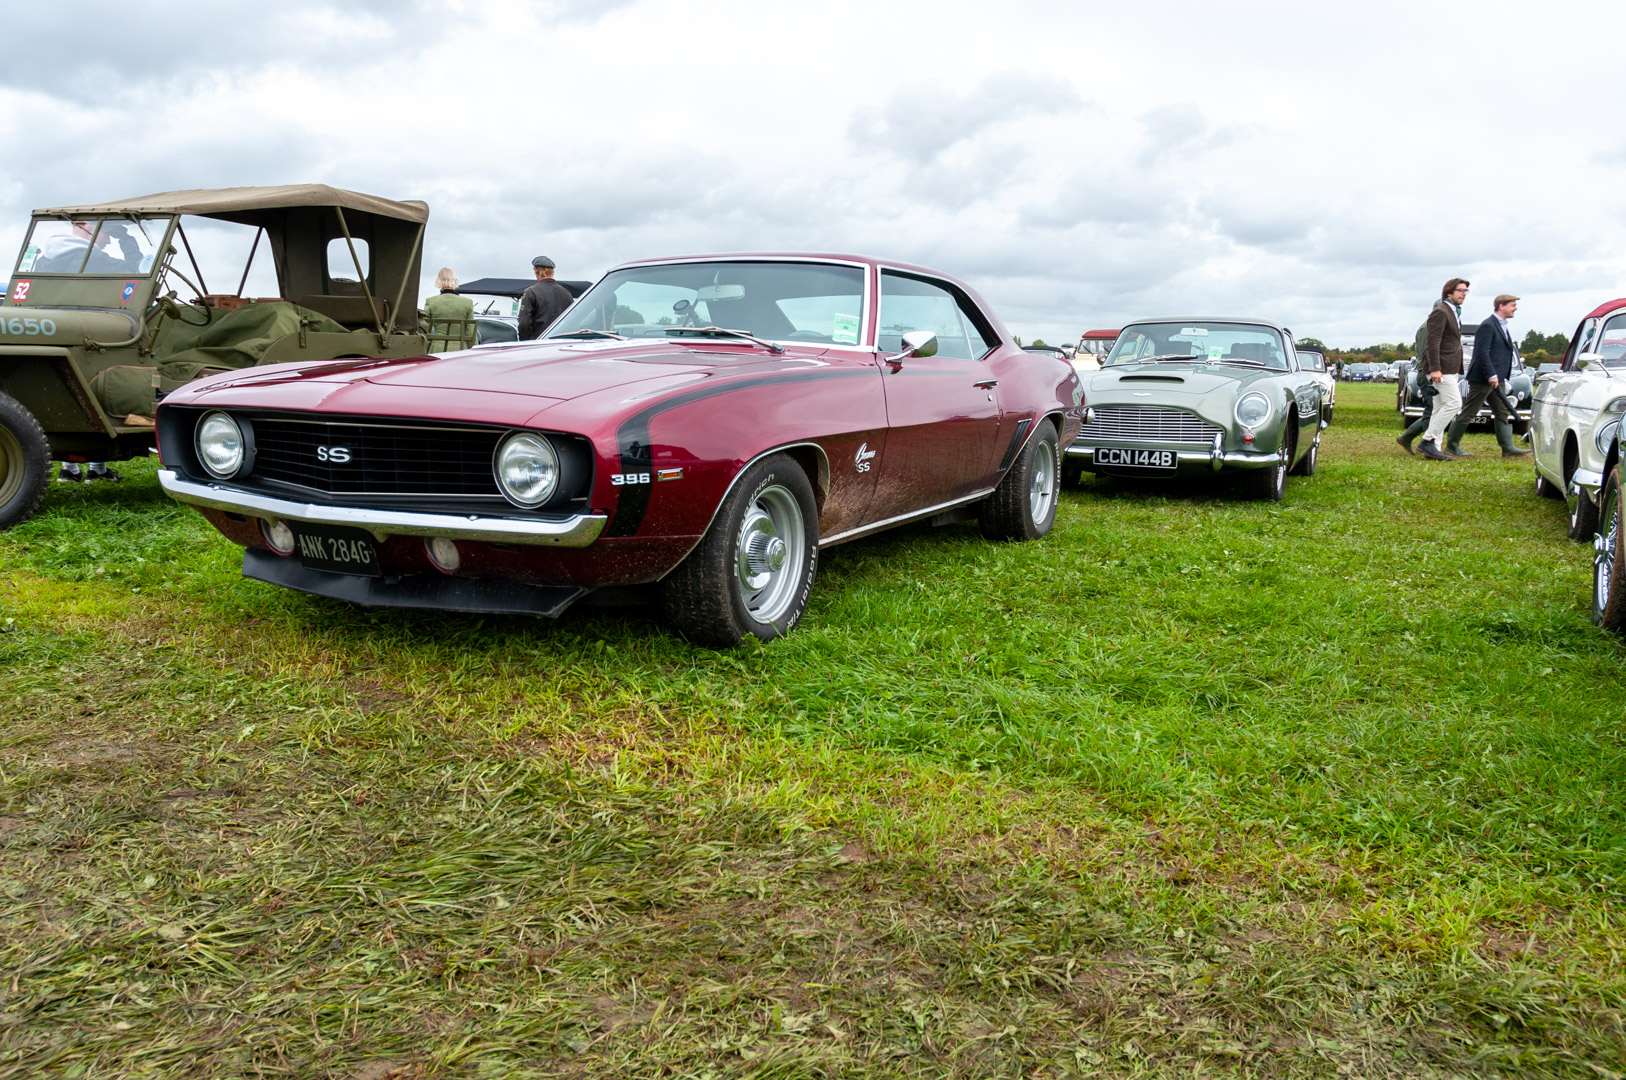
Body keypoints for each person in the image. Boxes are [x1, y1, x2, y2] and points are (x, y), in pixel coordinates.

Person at [1444, 293, 1531, 458]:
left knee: (1502, 411)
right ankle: (1452, 446)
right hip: (1484, 378)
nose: (1516, 308)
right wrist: (1491, 374)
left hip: (1497, 379)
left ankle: (1508, 448)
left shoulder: (1502, 325)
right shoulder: (1488, 325)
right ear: (1502, 306)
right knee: (1469, 411)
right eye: (1513, 305)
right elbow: (1482, 353)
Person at [1415, 278, 1469, 461]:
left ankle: (1434, 449)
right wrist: (1436, 369)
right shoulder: (1441, 312)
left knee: (1439, 407)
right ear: (1449, 293)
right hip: (1441, 369)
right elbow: (1432, 343)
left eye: (1466, 291)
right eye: (1460, 290)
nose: (1464, 293)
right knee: (1455, 404)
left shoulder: (1452, 312)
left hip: (1449, 368)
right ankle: (1428, 440)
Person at [517, 256, 574, 340]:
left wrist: (524, 342)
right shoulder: (566, 293)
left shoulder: (531, 292)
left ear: (536, 270)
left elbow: (524, 323)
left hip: (538, 342)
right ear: (552, 272)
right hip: (561, 342)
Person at [423, 267, 475, 351]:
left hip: (437, 349)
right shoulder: (467, 303)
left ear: (438, 280)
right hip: (460, 349)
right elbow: (471, 331)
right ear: (455, 280)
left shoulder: (431, 302)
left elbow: (424, 329)